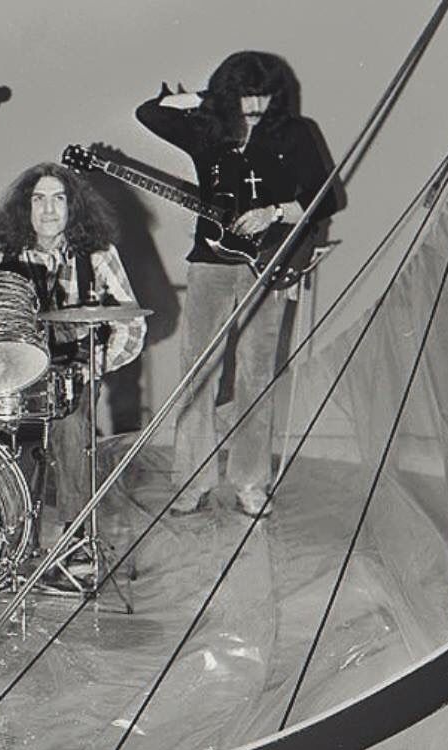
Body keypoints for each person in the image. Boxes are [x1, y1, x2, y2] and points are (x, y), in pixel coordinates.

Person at [135, 50, 341, 517]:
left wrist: (274, 213)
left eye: (264, 95)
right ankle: (192, 481)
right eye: (246, 95)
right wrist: (207, 99)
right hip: (209, 263)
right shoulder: (208, 130)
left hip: (267, 263)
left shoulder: (295, 132)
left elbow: (327, 197)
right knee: (197, 372)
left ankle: (250, 482)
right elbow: (148, 113)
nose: (256, 106)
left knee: (256, 373)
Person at [0, 162, 146, 554]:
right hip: (12, 371)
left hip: (72, 370)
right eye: (38, 200)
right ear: (26, 207)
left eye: (58, 199)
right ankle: (12, 535)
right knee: (3, 435)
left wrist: (94, 367)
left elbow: (132, 324)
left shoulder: (98, 254)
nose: (48, 210)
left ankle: (75, 537)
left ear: (72, 206)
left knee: (71, 427)